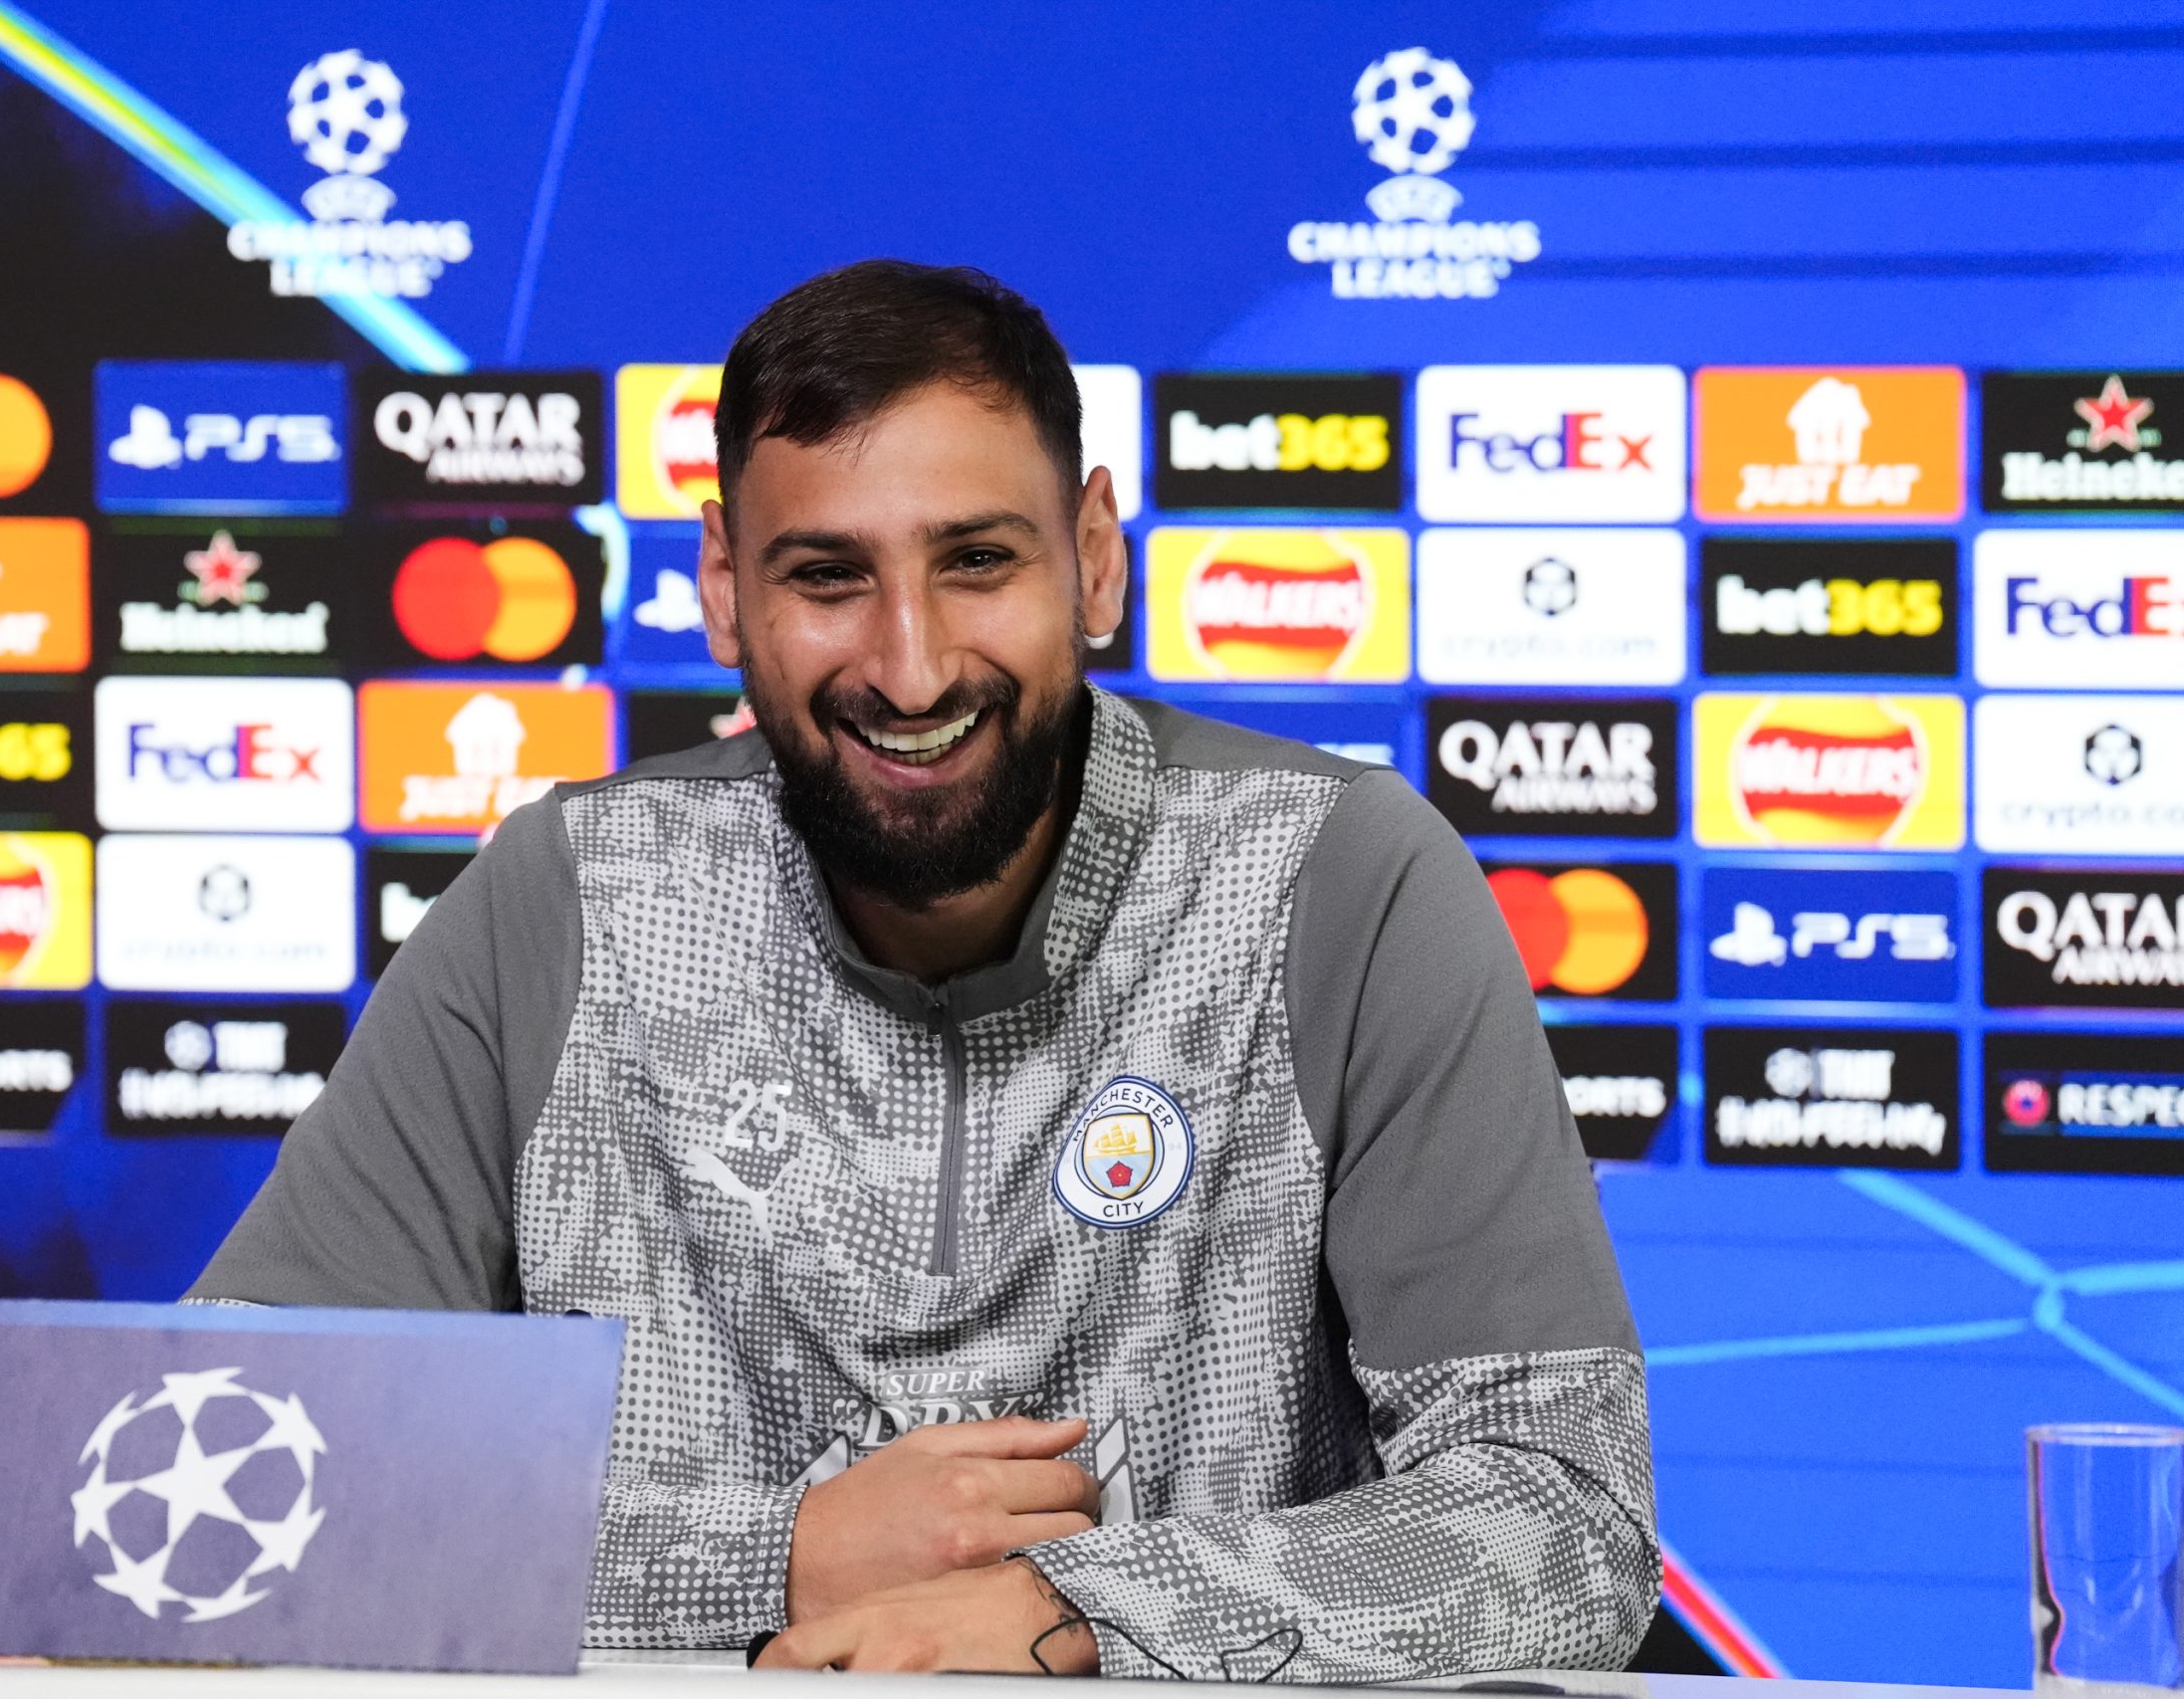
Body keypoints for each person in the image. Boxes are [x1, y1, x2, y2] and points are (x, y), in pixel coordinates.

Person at [188, 260, 1657, 1679]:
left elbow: (1567, 1516)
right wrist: (776, 1561)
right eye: (829, 576)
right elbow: (218, 1472)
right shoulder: (566, 898)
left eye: (977, 562)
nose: (912, 667)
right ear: (725, 588)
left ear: (1093, 555)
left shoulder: (1341, 880)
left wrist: (1077, 1614)